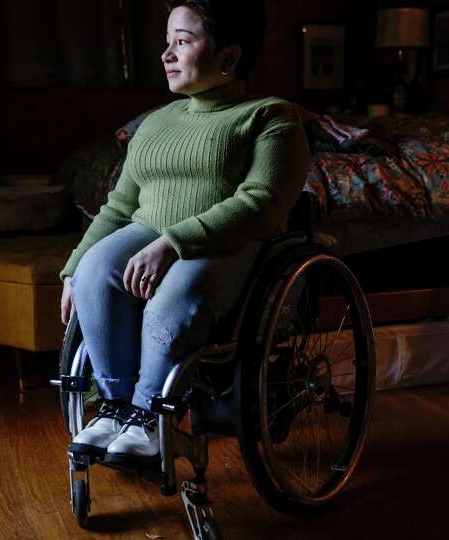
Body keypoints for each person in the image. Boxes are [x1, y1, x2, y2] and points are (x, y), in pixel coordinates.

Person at [58, 0, 310, 469]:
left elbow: (262, 202)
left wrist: (171, 244)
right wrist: (74, 267)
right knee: (95, 271)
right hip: (149, 234)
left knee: (176, 295)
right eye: (167, 41)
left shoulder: (271, 117)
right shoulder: (155, 122)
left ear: (229, 58)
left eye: (183, 41)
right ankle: (117, 409)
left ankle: (150, 416)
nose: (166, 54)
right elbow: (119, 206)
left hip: (227, 244)